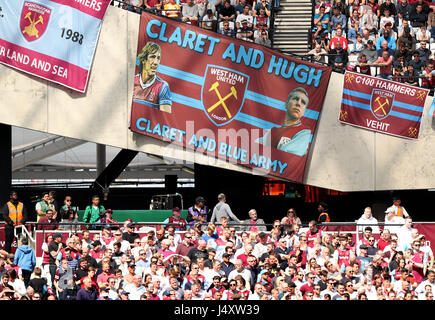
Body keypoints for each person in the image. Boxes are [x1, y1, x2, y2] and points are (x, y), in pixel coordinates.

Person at [256, 87, 311, 156]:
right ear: (286, 104)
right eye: (296, 99)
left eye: (303, 102)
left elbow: (290, 155)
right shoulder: (273, 131)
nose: (298, 104)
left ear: (304, 111)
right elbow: (257, 150)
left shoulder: (304, 132)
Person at [133, 41, 172, 113]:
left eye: (158, 58)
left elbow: (164, 118)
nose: (156, 62)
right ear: (143, 60)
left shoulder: (162, 87)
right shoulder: (132, 82)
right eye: (152, 57)